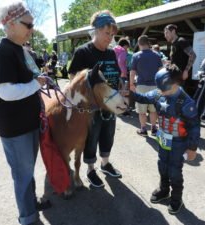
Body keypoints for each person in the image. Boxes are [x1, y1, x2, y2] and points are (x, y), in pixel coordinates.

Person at [0, 2, 50, 225]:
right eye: (28, 24)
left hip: (26, 123)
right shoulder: (3, 51)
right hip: (15, 128)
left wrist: (36, 82)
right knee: (22, 175)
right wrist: (36, 83)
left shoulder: (16, 48)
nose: (32, 29)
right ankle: (28, 218)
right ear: (11, 24)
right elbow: (6, 92)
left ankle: (30, 204)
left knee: (27, 171)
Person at [131, 65, 200, 214]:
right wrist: (129, 94)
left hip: (179, 142)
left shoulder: (187, 103)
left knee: (174, 170)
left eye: (163, 89)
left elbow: (194, 127)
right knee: (162, 164)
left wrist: (192, 148)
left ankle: (176, 198)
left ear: (175, 84)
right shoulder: (159, 92)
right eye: (159, 88)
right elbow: (144, 97)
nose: (160, 92)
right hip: (163, 138)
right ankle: (164, 190)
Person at [68, 10, 122, 188]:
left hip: (111, 103)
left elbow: (116, 74)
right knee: (92, 137)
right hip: (92, 107)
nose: (110, 37)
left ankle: (105, 164)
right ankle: (91, 169)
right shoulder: (83, 52)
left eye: (113, 34)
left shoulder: (111, 53)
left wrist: (119, 83)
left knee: (108, 134)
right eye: (107, 33)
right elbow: (72, 76)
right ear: (96, 30)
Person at [130, 35, 163, 136]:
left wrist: (131, 84)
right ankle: (154, 129)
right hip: (155, 87)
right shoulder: (157, 55)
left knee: (142, 111)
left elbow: (132, 72)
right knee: (153, 110)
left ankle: (143, 129)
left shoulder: (136, 56)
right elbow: (161, 71)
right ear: (148, 43)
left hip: (141, 87)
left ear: (139, 44)